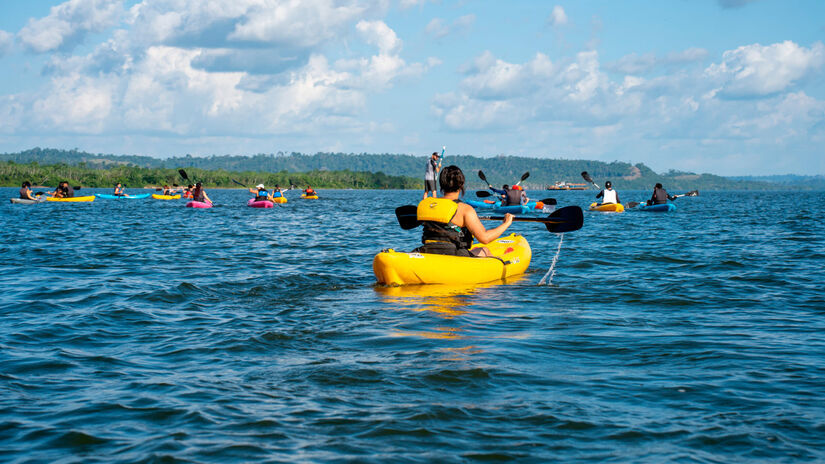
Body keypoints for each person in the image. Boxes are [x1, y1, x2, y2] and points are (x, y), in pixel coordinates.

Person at [415, 165, 514, 257]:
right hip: (455, 257)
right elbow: (485, 238)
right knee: (484, 250)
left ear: (441, 185)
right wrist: (506, 223)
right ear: (461, 185)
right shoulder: (465, 209)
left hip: (428, 252)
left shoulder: (428, 205)